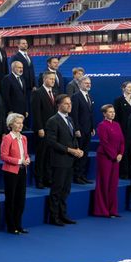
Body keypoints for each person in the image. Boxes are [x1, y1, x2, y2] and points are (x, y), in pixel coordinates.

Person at [43, 95, 83, 226]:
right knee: (57, 190)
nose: (69, 105)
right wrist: (70, 150)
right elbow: (51, 142)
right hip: (59, 160)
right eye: (66, 104)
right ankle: (54, 217)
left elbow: (72, 138)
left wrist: (78, 149)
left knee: (66, 190)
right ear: (58, 105)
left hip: (69, 160)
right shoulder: (53, 121)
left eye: (70, 103)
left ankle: (63, 214)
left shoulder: (70, 119)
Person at [0, 112, 30, 235]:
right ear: (11, 124)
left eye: (21, 123)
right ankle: (11, 226)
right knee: (11, 199)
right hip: (11, 172)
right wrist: (19, 161)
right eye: (17, 122)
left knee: (20, 200)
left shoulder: (24, 138)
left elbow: (25, 153)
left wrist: (27, 159)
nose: (20, 125)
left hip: (22, 171)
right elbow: (3, 156)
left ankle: (19, 224)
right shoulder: (7, 138)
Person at [92, 104, 124, 218]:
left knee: (113, 184)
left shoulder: (117, 125)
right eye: (110, 112)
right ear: (104, 114)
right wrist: (114, 155)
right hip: (105, 157)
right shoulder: (101, 125)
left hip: (116, 158)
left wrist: (120, 154)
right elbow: (104, 143)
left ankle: (112, 210)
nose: (112, 114)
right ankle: (102, 210)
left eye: (113, 112)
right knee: (104, 183)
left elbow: (122, 141)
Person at [30, 71, 60, 189]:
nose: (53, 81)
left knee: (49, 156)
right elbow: (36, 112)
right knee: (41, 156)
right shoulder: (37, 93)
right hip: (42, 130)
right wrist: (40, 128)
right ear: (44, 79)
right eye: (51, 79)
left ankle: (48, 178)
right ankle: (39, 180)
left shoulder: (55, 93)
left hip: (52, 130)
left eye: (54, 79)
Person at [71, 76, 95, 185]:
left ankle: (82, 175)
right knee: (79, 154)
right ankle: (76, 176)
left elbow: (90, 114)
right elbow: (74, 114)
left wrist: (92, 127)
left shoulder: (89, 96)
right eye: (86, 83)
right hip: (80, 130)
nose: (88, 85)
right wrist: (76, 129)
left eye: (89, 83)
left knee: (85, 154)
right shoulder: (76, 97)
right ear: (80, 84)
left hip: (88, 130)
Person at [113, 80, 131, 180]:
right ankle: (124, 173)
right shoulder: (118, 100)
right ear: (123, 88)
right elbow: (116, 117)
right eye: (129, 87)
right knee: (124, 151)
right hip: (123, 130)